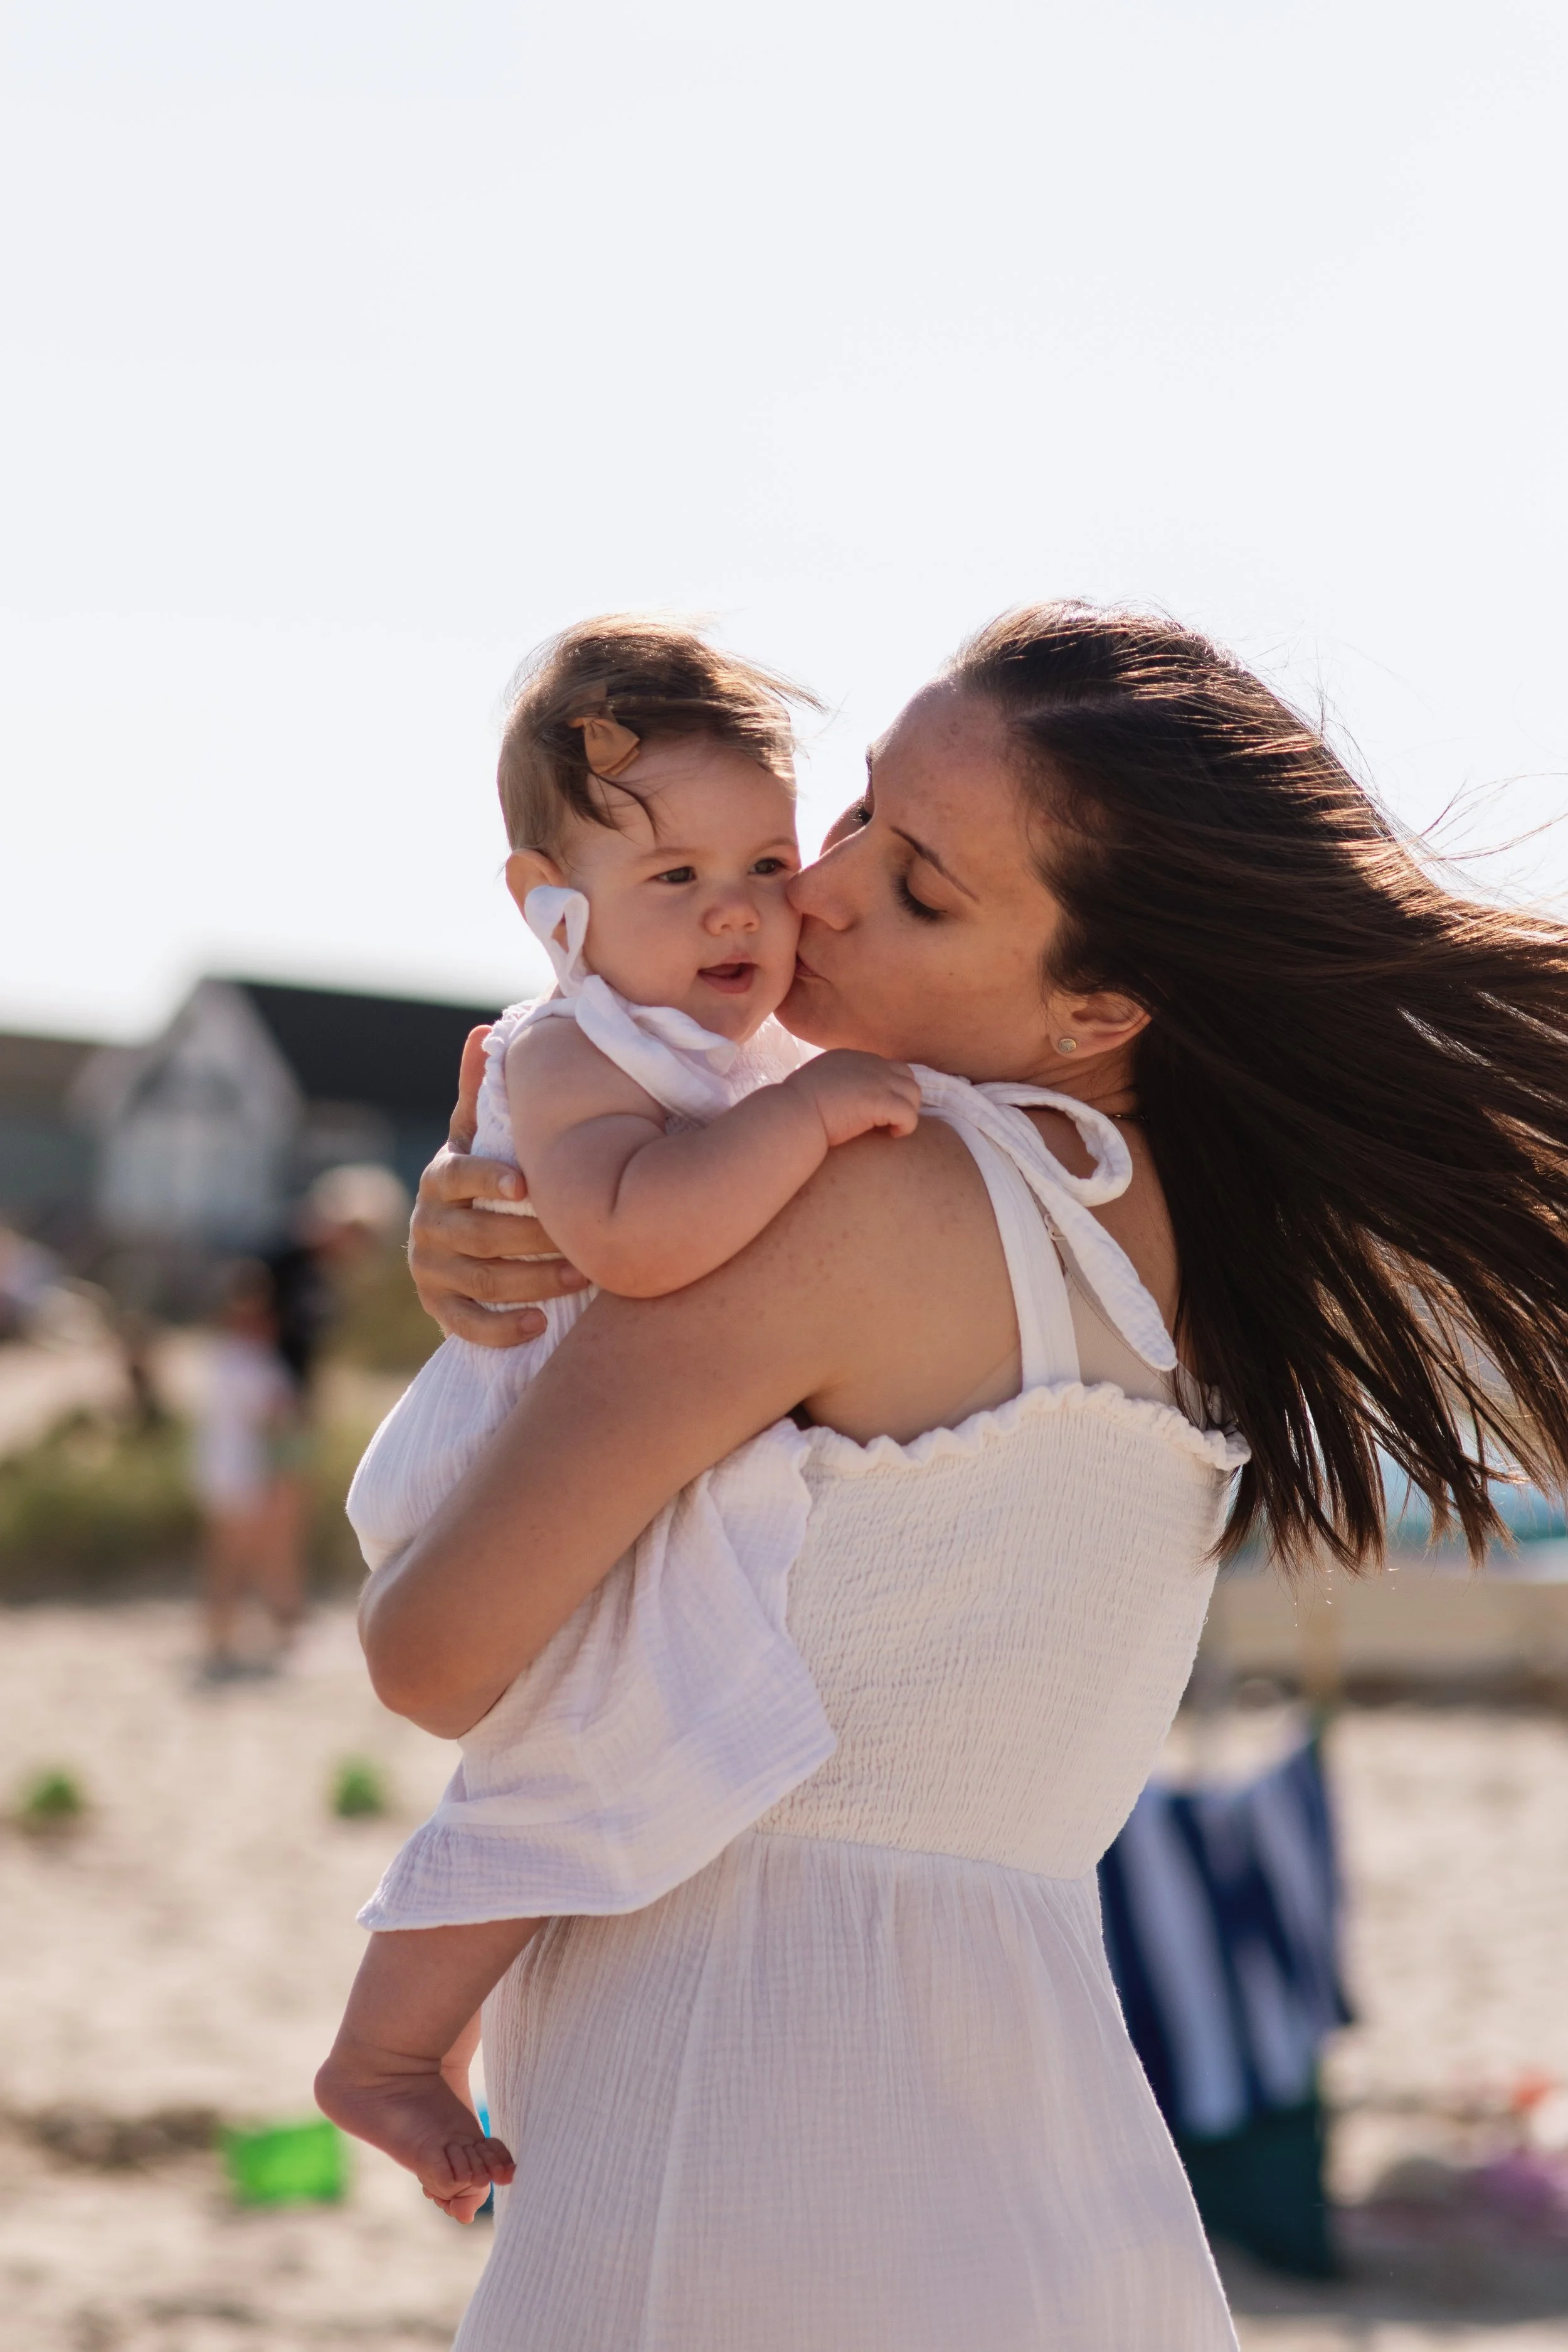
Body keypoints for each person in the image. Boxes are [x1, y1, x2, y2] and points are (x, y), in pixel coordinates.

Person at [363, 604, 1568, 2349]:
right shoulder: (1205, 1267)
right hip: (1042, 2157)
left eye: (920, 887)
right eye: (854, 815)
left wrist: (500, 1333)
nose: (818, 892)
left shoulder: (851, 1199)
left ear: (1096, 1004)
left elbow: (435, 1648)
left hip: (734, 2130)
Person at [319, 617, 918, 2218]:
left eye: (766, 859)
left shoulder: (751, 1038)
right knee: (563, 1748)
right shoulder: (574, 1045)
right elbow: (640, 1239)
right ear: (549, 908)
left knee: (593, 1745)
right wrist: (798, 1117)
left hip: (626, 1458)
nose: (738, 907)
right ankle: (385, 2048)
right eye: (675, 879)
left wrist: (798, 1091)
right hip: (515, 1458)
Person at [191, 1258, 304, 1677]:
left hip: (219, 1472)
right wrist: (284, 1479)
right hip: (252, 1474)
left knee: (226, 1560)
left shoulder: (221, 1356)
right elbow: (275, 1427)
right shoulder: (259, 1365)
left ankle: (220, 1638)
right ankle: (281, 1635)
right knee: (269, 1559)